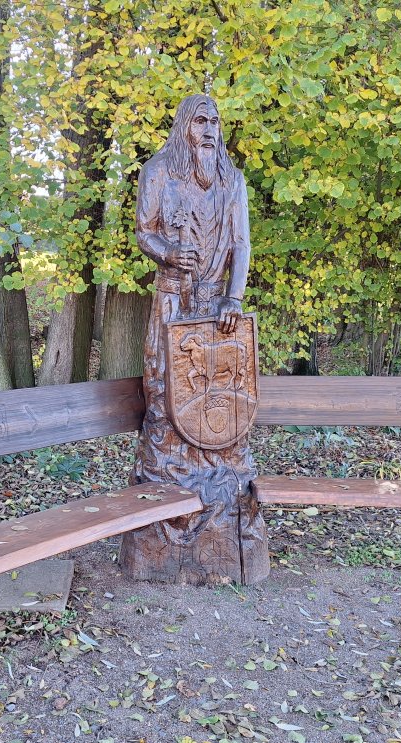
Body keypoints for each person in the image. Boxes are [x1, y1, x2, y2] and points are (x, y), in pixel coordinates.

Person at [118, 94, 268, 585]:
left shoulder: (231, 179)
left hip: (217, 306)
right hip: (171, 300)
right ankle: (171, 480)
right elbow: (144, 231)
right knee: (165, 392)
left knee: (217, 391)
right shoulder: (158, 171)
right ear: (185, 125)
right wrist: (166, 252)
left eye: (215, 122)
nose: (208, 130)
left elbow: (241, 243)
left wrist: (234, 297)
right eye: (200, 121)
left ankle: (219, 472)